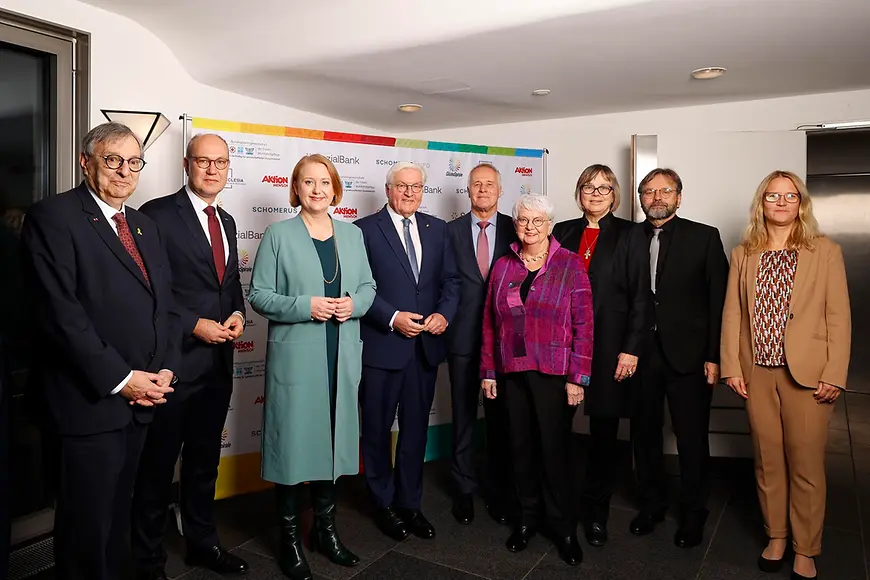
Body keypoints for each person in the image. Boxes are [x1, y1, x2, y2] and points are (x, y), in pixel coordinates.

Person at [20, 122, 179, 580]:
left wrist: (164, 370)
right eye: (113, 160)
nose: (125, 171)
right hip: (87, 404)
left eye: (134, 162)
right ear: (85, 162)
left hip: (143, 401)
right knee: (86, 531)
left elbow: (165, 306)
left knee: (117, 524)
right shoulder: (53, 217)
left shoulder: (145, 226)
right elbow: (60, 314)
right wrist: (123, 380)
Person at [248, 154, 376, 580]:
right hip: (298, 359)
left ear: (335, 188)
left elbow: (368, 286)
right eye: (308, 182)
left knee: (333, 445)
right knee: (292, 449)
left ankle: (326, 532)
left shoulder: (353, 234)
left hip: (341, 352)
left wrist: (354, 304)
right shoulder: (278, 235)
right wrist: (307, 306)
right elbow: (259, 295)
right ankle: (289, 542)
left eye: (325, 182)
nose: (317, 190)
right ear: (296, 189)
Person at [721, 170, 851, 580]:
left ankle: (806, 548)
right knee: (767, 462)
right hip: (757, 372)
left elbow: (839, 315)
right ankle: (776, 536)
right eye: (773, 196)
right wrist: (731, 366)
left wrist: (835, 372)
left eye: (790, 196)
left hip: (809, 376)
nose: (781, 203)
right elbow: (732, 314)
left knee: (806, 465)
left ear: (801, 203)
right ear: (761, 203)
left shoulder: (824, 251)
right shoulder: (744, 253)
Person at [132, 133, 248, 579]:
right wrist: (193, 324)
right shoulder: (156, 215)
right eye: (203, 161)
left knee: (204, 464)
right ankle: (147, 562)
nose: (212, 169)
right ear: (187, 164)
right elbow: (147, 290)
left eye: (221, 162)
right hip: (172, 363)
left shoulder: (227, 220)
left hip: (217, 365)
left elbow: (228, 284)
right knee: (157, 468)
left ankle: (203, 544)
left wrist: (237, 313)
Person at [480, 193, 593, 566]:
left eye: (538, 221)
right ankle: (527, 519)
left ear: (549, 225)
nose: (530, 227)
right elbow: (490, 324)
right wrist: (488, 371)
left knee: (554, 452)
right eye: (523, 220)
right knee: (520, 449)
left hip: (554, 373)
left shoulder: (569, 264)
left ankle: (563, 527)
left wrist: (578, 378)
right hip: (512, 371)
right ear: (515, 224)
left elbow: (584, 324)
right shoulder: (503, 265)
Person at [355, 162, 460, 542]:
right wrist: (392, 317)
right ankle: (382, 503)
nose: (410, 193)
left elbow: (451, 281)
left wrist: (444, 315)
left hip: (424, 349)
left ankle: (409, 504)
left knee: (415, 431)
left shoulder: (438, 229)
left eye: (416, 187)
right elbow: (358, 287)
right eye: (402, 186)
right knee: (376, 430)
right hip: (382, 347)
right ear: (388, 189)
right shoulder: (364, 230)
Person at [629, 168, 728, 549]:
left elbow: (718, 301)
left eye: (665, 191)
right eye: (649, 191)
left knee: (691, 438)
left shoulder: (704, 237)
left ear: (679, 197)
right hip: (640, 354)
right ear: (641, 198)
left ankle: (693, 512)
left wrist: (714, 356)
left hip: (689, 356)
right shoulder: (628, 237)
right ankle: (651, 505)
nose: (657, 197)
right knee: (644, 434)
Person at [552, 164, 649, 547]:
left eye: (604, 187)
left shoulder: (631, 233)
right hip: (565, 344)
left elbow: (640, 296)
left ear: (614, 195)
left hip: (610, 346)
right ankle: (560, 505)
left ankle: (596, 513)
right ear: (579, 192)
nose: (595, 193)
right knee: (556, 427)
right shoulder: (562, 231)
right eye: (588, 186)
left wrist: (631, 349)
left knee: (604, 434)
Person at [446, 162, 517, 526]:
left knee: (500, 419)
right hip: (461, 338)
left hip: (505, 342)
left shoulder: (517, 228)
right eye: (477, 184)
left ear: (500, 190)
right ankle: (463, 489)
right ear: (468, 190)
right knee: (462, 416)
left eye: (490, 184)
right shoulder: (450, 231)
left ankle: (498, 490)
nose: (483, 189)